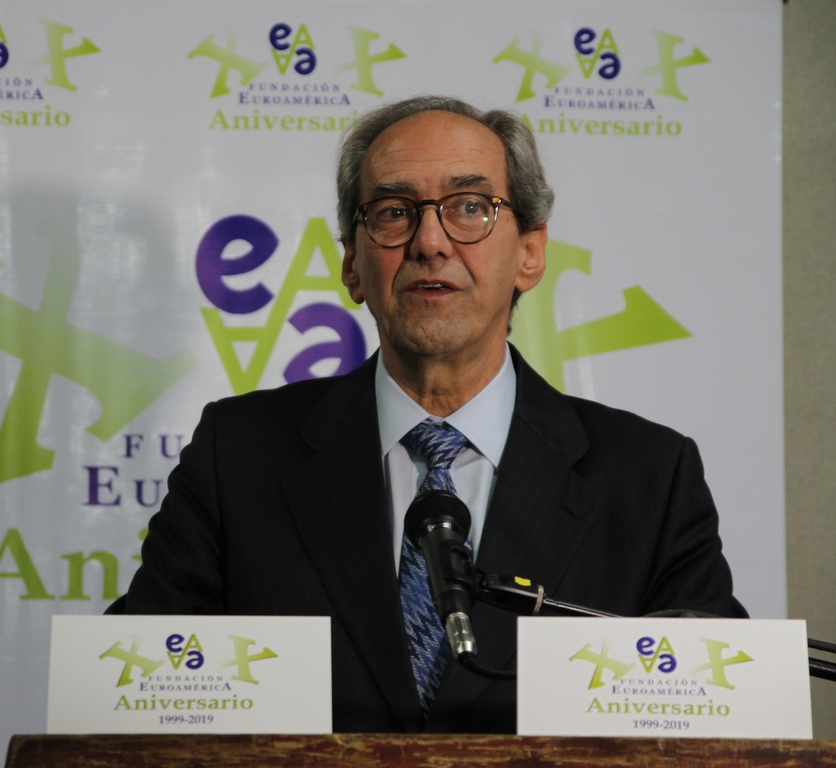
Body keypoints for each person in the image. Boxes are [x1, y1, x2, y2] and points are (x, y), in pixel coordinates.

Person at [114, 95, 745, 733]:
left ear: (530, 252)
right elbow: (134, 698)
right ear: (352, 263)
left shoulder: (649, 477)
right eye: (393, 212)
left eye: (470, 207)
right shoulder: (237, 456)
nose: (430, 242)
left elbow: (717, 720)